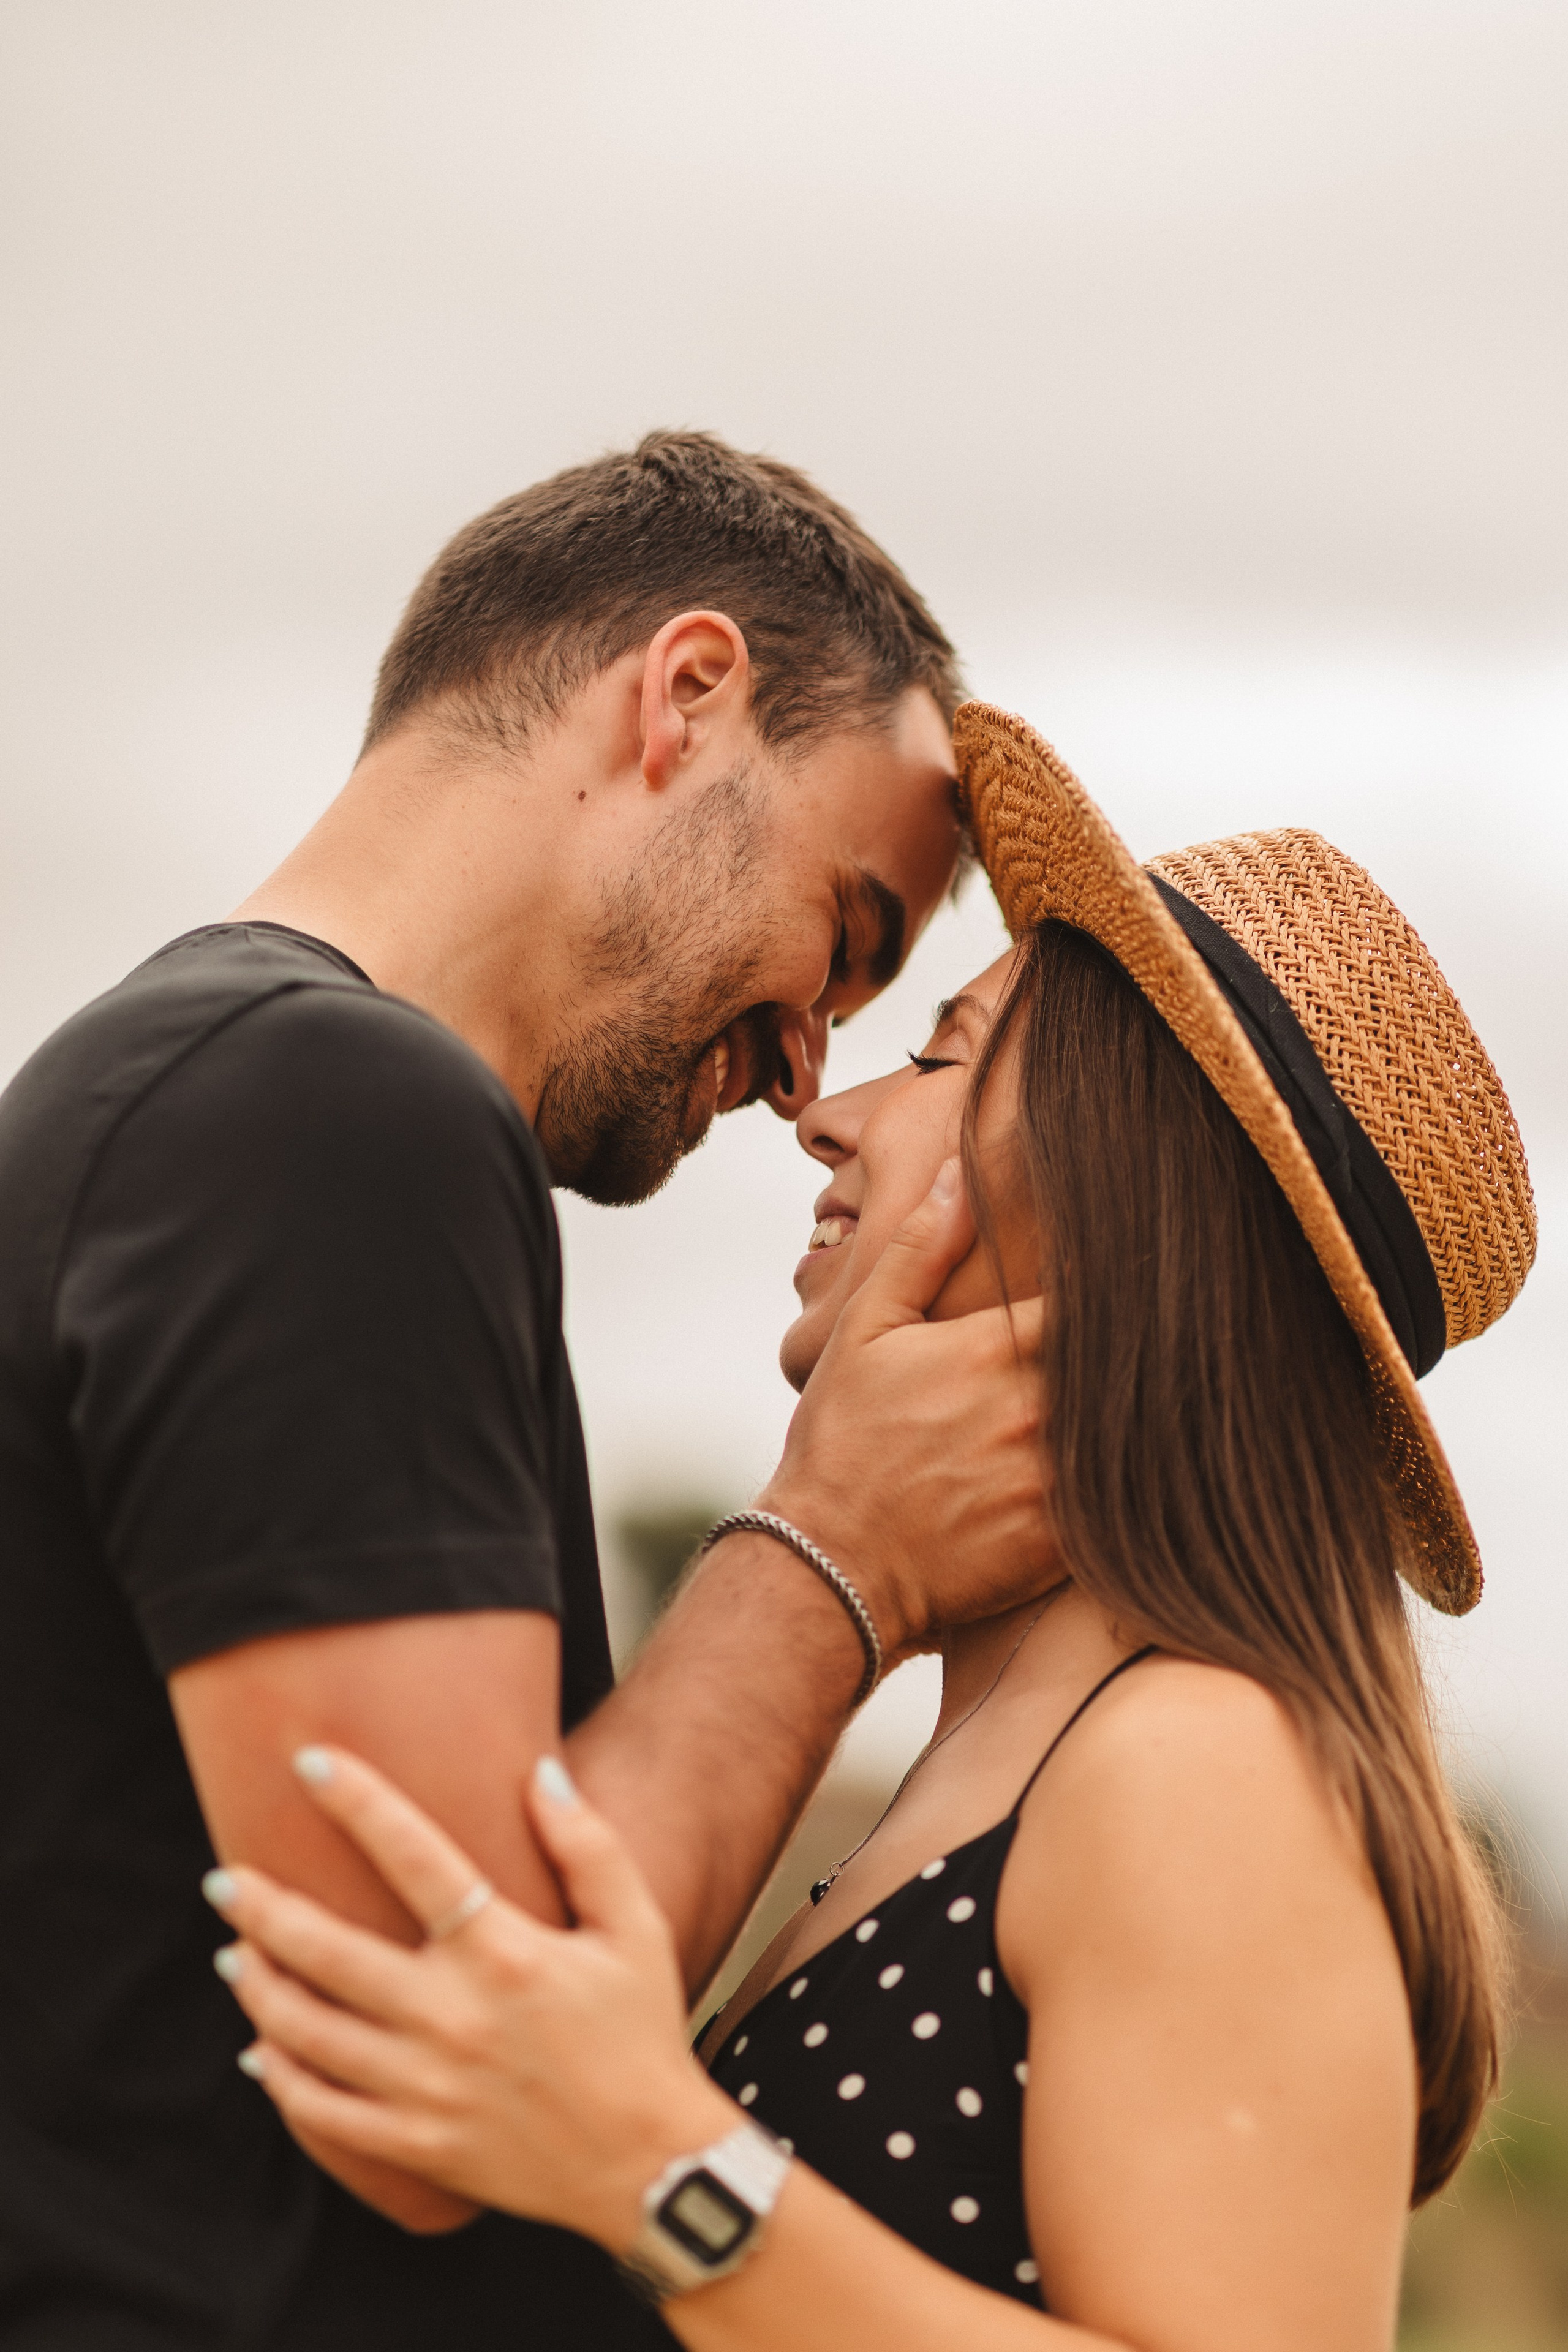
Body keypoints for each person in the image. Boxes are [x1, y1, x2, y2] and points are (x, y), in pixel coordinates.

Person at [208, 707, 1536, 2352]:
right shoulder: (1016, 1747)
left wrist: (653, 2165)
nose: (827, 1115)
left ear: (1121, 1186)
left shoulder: (1195, 1758)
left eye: (941, 1056)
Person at [0, 441, 1057, 2351]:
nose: (806, 1072)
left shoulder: (195, 1095)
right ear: (687, 696)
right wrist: (838, 1551)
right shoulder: (327, 1114)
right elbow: (447, 2057)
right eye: (845, 937)